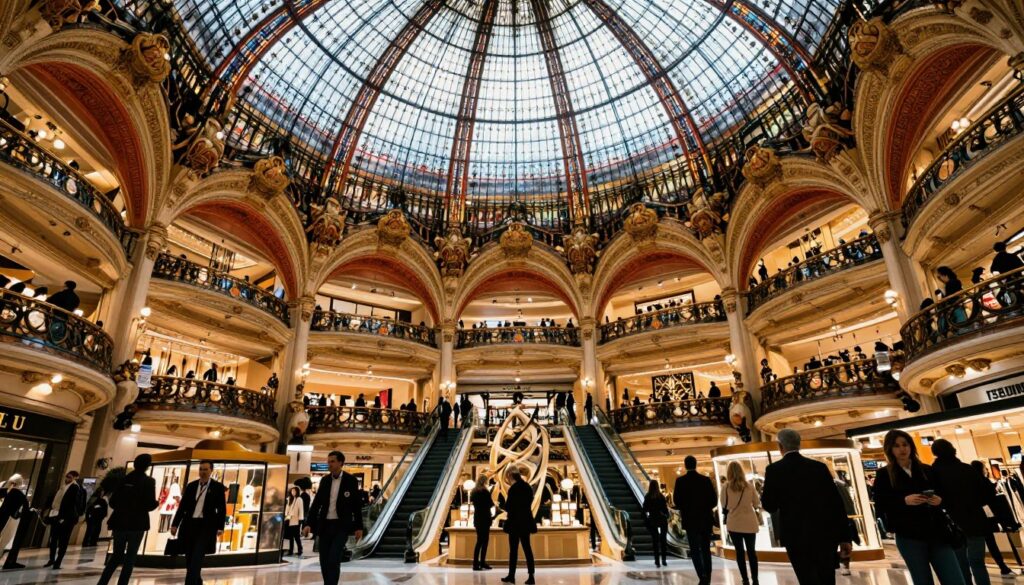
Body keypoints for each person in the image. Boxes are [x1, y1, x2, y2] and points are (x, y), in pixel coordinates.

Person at [872, 430, 965, 585]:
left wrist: (939, 500)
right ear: (890, 449)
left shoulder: (927, 470)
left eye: (905, 444)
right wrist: (903, 501)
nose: (902, 449)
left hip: (937, 532)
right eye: (896, 446)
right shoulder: (884, 474)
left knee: (954, 578)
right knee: (922, 579)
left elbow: (945, 495)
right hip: (909, 536)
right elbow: (881, 504)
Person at [760, 429, 851, 585]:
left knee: (806, 578)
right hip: (824, 533)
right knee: (827, 577)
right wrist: (845, 537)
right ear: (799, 444)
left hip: (795, 535)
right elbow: (835, 504)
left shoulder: (774, 470)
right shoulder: (819, 467)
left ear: (779, 446)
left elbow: (770, 505)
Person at [930, 439, 991, 585]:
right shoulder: (967, 469)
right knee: (977, 562)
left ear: (935, 453)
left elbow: (936, 499)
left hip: (952, 523)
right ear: (953, 449)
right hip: (975, 520)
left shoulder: (934, 473)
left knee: (960, 564)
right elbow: (985, 494)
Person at [98, 453, 159, 585]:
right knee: (130, 558)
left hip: (120, 523)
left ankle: (102, 582)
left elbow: (113, 502)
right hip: (136, 524)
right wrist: (156, 503)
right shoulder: (149, 482)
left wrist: (123, 508)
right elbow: (149, 504)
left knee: (115, 556)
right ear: (148, 466)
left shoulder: (124, 479)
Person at [304, 451, 364, 585]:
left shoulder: (351, 480)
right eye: (328, 461)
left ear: (340, 463)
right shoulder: (325, 480)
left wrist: (359, 526)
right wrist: (309, 523)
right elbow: (316, 503)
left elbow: (356, 505)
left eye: (332, 461)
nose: (329, 464)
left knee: (333, 558)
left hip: (341, 526)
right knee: (324, 560)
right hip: (325, 525)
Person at [171, 460, 227, 585]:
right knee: (189, 556)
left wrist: (220, 527)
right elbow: (182, 507)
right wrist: (175, 524)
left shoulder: (217, 487)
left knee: (197, 555)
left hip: (206, 527)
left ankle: (189, 582)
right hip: (189, 525)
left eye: (205, 469)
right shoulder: (191, 486)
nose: (203, 472)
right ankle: (197, 580)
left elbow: (222, 509)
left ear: (211, 471)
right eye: (201, 469)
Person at [674, 455, 716, 585]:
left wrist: (686, 508)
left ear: (686, 465)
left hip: (690, 520)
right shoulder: (705, 480)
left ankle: (701, 575)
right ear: (696, 464)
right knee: (705, 548)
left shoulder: (680, 481)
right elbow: (713, 500)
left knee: (694, 549)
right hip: (705, 520)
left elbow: (677, 501)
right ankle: (708, 574)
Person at [970, 461, 1017, 578]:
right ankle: (1002, 567)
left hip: (977, 518)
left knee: (983, 543)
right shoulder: (984, 482)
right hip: (988, 516)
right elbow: (990, 498)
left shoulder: (972, 483)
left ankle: (1000, 567)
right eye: (984, 468)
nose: (986, 470)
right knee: (991, 543)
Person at [722, 461, 761, 585]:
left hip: (734, 523)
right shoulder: (749, 486)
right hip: (749, 522)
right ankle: (755, 578)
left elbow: (724, 504)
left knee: (739, 552)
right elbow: (756, 502)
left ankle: (745, 579)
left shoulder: (726, 487)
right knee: (751, 552)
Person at [501, 466, 537, 585]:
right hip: (525, 522)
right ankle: (531, 576)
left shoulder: (513, 489)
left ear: (511, 476)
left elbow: (508, 506)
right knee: (527, 549)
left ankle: (511, 575)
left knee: (513, 551)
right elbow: (529, 503)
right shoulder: (527, 487)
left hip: (514, 523)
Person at [45, 470, 84, 569]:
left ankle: (58, 562)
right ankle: (52, 559)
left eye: (70, 477)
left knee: (63, 541)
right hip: (56, 515)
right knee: (53, 539)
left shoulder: (76, 488)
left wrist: (65, 518)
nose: (67, 479)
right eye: (66, 476)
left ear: (75, 478)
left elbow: (75, 504)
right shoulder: (62, 487)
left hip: (66, 518)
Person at [0, 474, 29, 569]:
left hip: (3, 518)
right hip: (11, 520)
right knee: (6, 541)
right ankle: (9, 562)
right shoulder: (19, 494)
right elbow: (23, 509)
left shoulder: (6, 491)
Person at [643, 479, 670, 567]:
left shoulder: (648, 496)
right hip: (662, 519)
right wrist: (666, 515)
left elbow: (645, 509)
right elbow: (665, 509)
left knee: (655, 540)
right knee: (663, 540)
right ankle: (664, 560)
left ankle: (657, 560)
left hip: (653, 520)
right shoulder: (661, 496)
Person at [471, 474, 493, 571]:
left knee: (479, 541)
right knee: (485, 541)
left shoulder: (474, 492)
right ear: (485, 482)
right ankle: (482, 562)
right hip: (485, 518)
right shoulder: (485, 492)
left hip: (477, 518)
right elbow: (490, 504)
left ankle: (476, 563)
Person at [284, 486, 304, 557]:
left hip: (296, 520)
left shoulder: (299, 499)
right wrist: (286, 515)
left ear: (297, 492)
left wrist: (300, 520)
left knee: (296, 537)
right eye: (292, 491)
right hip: (289, 520)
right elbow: (287, 508)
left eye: (294, 491)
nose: (293, 492)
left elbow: (301, 510)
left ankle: (300, 550)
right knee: (291, 537)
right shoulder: (290, 499)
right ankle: (291, 550)